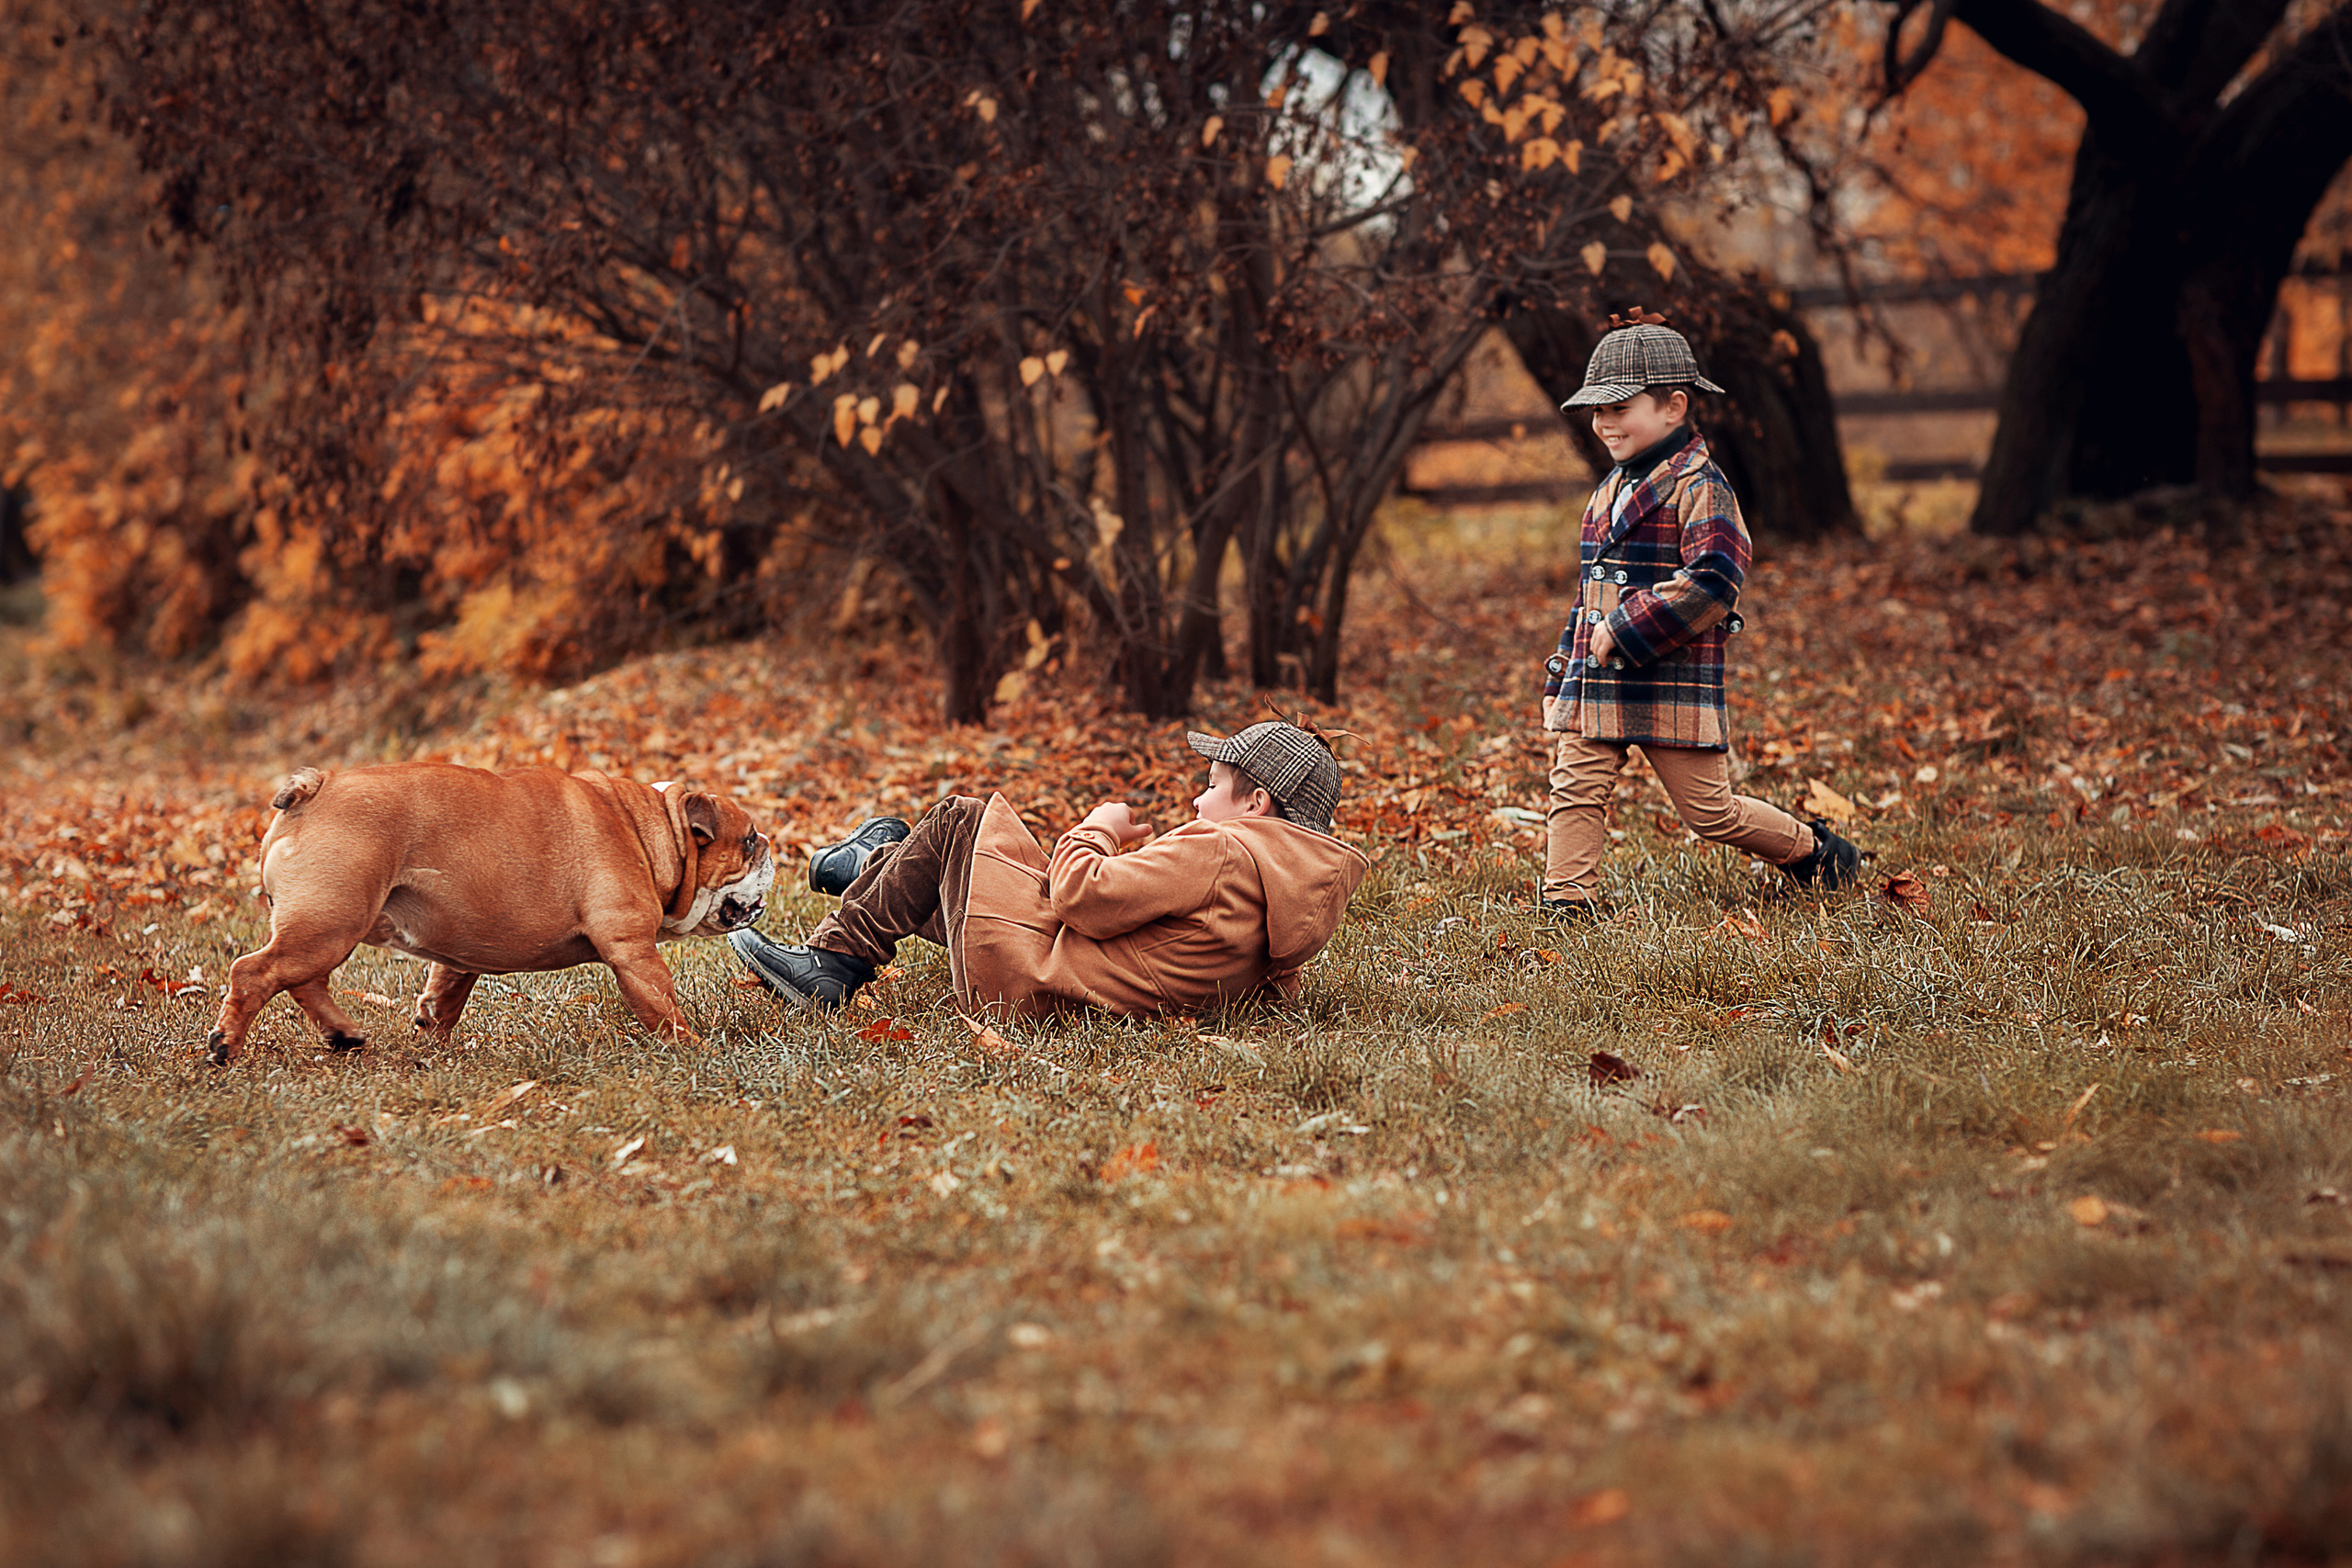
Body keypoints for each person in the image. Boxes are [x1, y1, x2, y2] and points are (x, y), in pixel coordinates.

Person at [1539, 309, 1860, 917]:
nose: (1604, 422)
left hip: (1669, 675)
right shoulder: (1610, 488)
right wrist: (1561, 674)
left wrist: (1626, 628)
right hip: (1599, 677)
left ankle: (1816, 853)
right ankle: (1567, 901)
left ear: (1674, 407)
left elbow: (1714, 581)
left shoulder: (1701, 486)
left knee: (1710, 810)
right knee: (1574, 785)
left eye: (1620, 407)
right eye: (1598, 410)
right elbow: (1588, 596)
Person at [729, 720, 1370, 1018]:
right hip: (1085, 990)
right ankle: (881, 860)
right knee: (954, 863)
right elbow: (1261, 974)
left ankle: (835, 958)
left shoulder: (1221, 848)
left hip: (1032, 976)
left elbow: (1079, 897)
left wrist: (1100, 827)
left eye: (1212, 786)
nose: (1199, 802)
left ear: (1256, 804)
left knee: (960, 818)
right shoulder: (1292, 895)